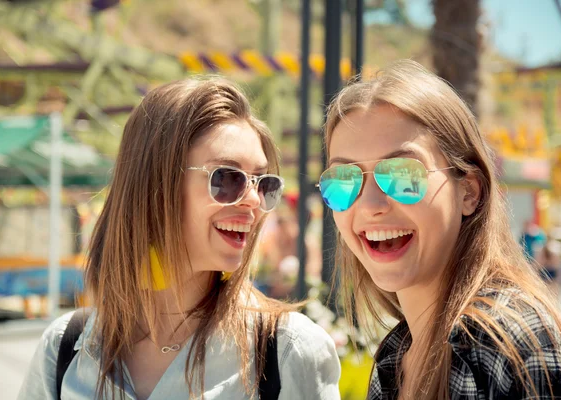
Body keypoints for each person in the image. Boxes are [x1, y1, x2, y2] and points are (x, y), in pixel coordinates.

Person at [19, 78, 341, 400]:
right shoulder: (65, 348)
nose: (254, 201)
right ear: (157, 185)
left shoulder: (287, 352)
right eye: (228, 178)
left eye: (264, 184)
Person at [317, 60, 561, 399]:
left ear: (469, 192)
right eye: (343, 180)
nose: (369, 204)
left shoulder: (513, 342)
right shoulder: (394, 358)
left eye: (403, 174)